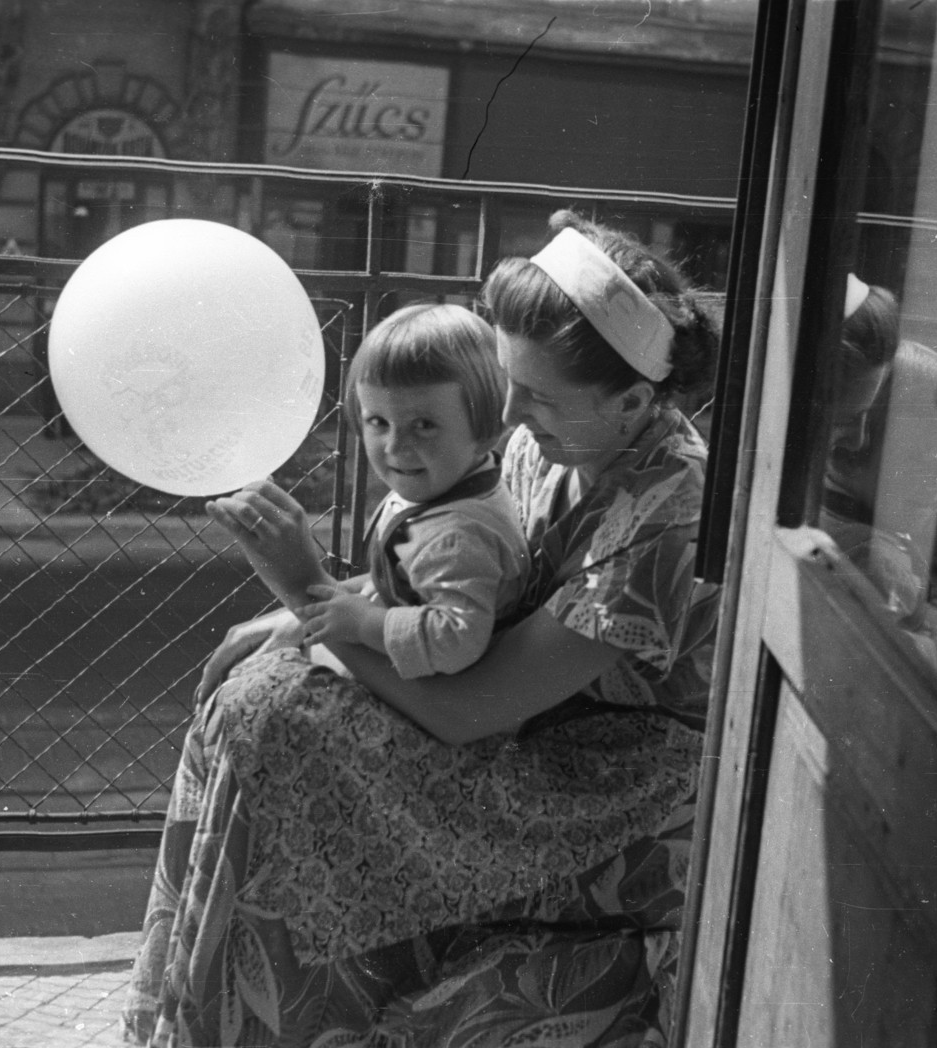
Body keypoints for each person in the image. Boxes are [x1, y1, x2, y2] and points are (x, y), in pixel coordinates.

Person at [123, 210, 720, 1047]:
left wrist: (309, 597)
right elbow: (461, 576)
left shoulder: (669, 515)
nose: (509, 411)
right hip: (536, 720)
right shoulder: (563, 440)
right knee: (258, 701)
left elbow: (477, 712)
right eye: (512, 381)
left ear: (632, 399)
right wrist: (297, 621)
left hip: (618, 782)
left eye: (539, 396)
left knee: (280, 735)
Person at [210, 303, 530, 679]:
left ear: (486, 430)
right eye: (378, 421)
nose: (395, 446)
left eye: (424, 425)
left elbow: (456, 638)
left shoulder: (458, 535)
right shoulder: (450, 489)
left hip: (440, 703)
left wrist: (366, 623)